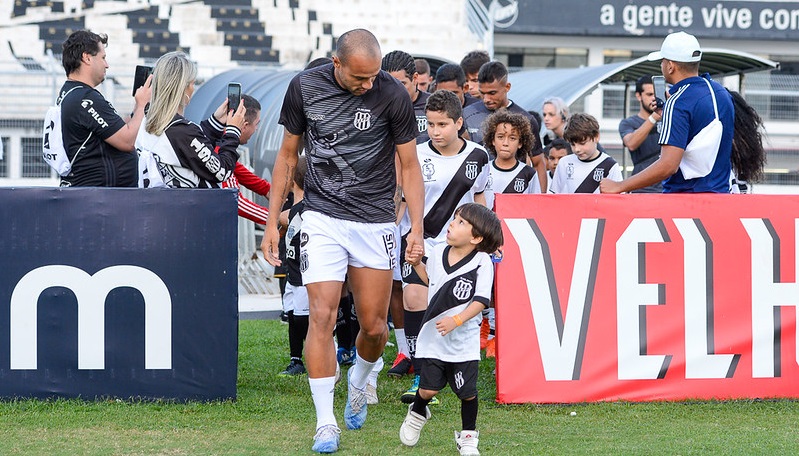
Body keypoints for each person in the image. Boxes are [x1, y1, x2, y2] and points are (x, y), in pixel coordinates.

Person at [260, 29, 425, 454]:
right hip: (322, 217)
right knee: (322, 315)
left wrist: (417, 229)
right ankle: (325, 422)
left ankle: (358, 381)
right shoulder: (304, 87)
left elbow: (410, 165)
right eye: (360, 78)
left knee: (373, 327)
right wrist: (271, 222)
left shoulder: (393, 95)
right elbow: (287, 156)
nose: (369, 85)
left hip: (374, 223)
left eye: (374, 77)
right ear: (337, 63)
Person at [399, 90, 490, 404]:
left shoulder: (478, 156)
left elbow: (480, 201)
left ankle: (446, 371)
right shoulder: (415, 154)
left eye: (443, 124)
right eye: (431, 124)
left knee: (445, 309)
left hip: (459, 248)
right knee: (413, 299)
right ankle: (420, 373)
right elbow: (401, 197)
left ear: (459, 122)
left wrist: (487, 240)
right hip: (419, 239)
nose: (435, 132)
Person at [399, 202, 503, 456]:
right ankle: (418, 411)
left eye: (460, 222)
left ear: (476, 237)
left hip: (463, 344)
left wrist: (457, 321)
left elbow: (480, 301)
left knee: (467, 393)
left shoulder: (482, 263)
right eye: (455, 219)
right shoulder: (437, 252)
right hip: (434, 338)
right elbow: (431, 280)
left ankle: (468, 437)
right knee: (428, 389)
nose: (452, 224)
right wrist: (416, 266)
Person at [600, 31, 734, 194]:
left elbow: (668, 166)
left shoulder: (677, 102)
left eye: (662, 61)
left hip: (685, 200)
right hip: (722, 196)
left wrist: (620, 186)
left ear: (670, 66)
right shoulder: (720, 92)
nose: (661, 65)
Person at [135, 51, 245, 188]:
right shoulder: (182, 131)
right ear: (183, 88)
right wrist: (233, 132)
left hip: (156, 205)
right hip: (186, 206)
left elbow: (188, 150)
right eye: (192, 83)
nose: (193, 89)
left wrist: (214, 124)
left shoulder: (145, 120)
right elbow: (221, 171)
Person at [58, 30, 151, 187]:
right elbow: (127, 141)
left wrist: (137, 108)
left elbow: (115, 132)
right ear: (87, 58)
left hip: (97, 198)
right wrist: (142, 105)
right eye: (103, 58)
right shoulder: (84, 98)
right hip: (99, 200)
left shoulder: (73, 93)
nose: (106, 65)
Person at [462, 61, 547, 193]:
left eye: (492, 93)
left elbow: (538, 163)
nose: (486, 99)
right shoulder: (467, 114)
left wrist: (540, 202)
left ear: (507, 87)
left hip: (515, 191)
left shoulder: (526, 119)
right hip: (477, 190)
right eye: (482, 93)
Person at [279, 155, 309, 376]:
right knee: (293, 315)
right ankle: (295, 359)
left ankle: (316, 356)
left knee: (302, 318)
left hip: (304, 276)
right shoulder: (295, 210)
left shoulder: (308, 211)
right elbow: (283, 218)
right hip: (292, 274)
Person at [221, 94, 273, 224]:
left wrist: (266, 189)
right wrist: (274, 219)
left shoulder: (218, 142)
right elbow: (233, 200)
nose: (256, 129)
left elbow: (235, 169)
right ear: (244, 126)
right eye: (256, 124)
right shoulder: (220, 149)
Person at [549, 113, 622, 194]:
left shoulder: (610, 166)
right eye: (572, 144)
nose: (577, 149)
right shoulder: (564, 163)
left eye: (582, 143)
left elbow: (617, 198)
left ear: (596, 137)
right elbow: (556, 196)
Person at [618, 75, 663, 193]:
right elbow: (631, 143)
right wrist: (654, 117)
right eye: (649, 95)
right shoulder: (628, 123)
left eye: (657, 94)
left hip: (668, 188)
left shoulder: (670, 120)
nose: (654, 98)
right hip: (643, 189)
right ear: (639, 96)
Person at [383, 50, 430, 143]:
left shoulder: (435, 104)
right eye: (389, 85)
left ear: (415, 78)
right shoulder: (378, 107)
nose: (394, 91)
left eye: (401, 84)